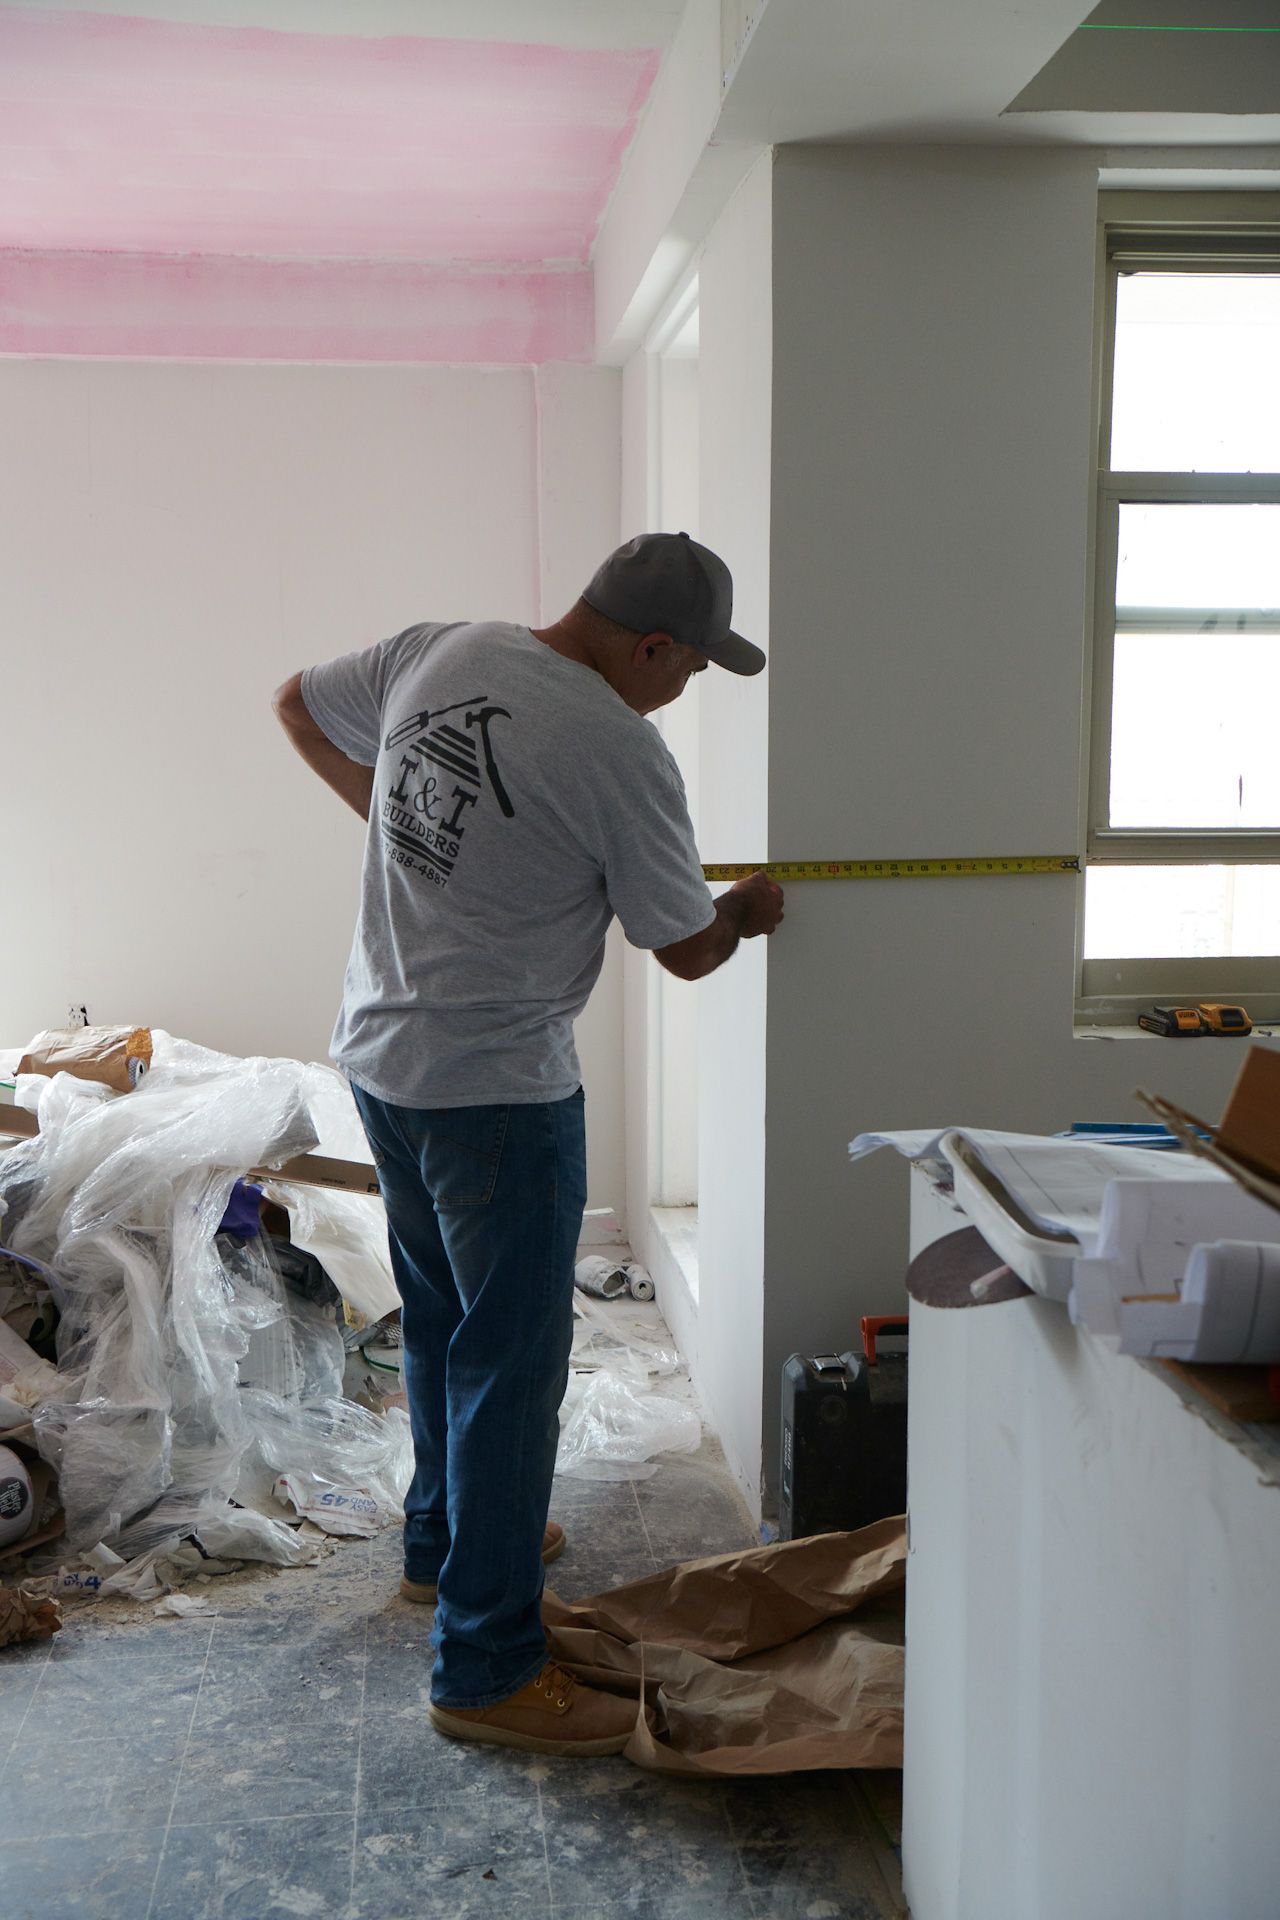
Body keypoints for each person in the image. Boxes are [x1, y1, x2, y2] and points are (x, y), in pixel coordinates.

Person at [273, 530, 784, 1757]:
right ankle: (487, 1666)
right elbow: (684, 946)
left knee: (446, 1323)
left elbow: (294, 700)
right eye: (691, 666)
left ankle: (442, 1546)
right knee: (511, 1372)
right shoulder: (618, 747)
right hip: (499, 1091)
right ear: (649, 646)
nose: (687, 686)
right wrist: (747, 910)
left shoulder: (435, 648)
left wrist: (403, 842)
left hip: (383, 1061)